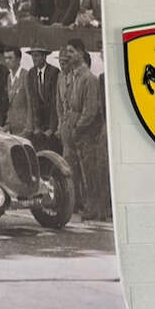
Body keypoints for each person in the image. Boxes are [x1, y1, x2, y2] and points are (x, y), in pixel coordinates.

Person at [55, 41, 108, 218]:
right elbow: (65, 104)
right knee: (72, 170)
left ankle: (95, 208)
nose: (68, 55)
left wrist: (78, 128)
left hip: (85, 134)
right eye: (67, 51)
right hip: (71, 131)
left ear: (81, 53)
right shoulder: (73, 77)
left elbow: (90, 110)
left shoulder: (89, 79)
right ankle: (78, 204)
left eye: (71, 51)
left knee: (89, 173)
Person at [27, 46, 60, 154]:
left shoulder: (54, 72)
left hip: (52, 123)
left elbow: (55, 102)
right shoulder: (31, 73)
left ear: (44, 56)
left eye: (36, 56)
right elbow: (33, 102)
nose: (34, 59)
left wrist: (51, 128)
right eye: (32, 56)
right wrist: (36, 127)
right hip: (39, 125)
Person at [1, 46, 36, 138]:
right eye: (5, 58)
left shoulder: (26, 75)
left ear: (18, 59)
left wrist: (28, 127)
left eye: (10, 58)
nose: (7, 61)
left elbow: (30, 103)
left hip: (24, 128)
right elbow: (11, 104)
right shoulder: (9, 77)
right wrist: (7, 125)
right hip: (13, 128)